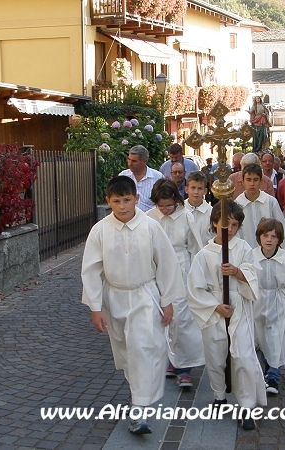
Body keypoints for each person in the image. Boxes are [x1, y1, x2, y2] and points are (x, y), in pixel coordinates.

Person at [81, 176, 184, 435]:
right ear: (108, 202)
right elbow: (91, 270)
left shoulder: (150, 227)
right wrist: (95, 307)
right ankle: (137, 394)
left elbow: (166, 263)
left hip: (143, 296)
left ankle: (139, 411)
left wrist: (167, 300)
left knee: (142, 348)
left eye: (127, 200)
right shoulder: (100, 230)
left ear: (137, 198)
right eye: (117, 201)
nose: (123, 206)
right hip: (114, 299)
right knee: (127, 354)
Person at [187, 200, 266, 431]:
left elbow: (254, 275)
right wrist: (215, 306)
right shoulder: (204, 254)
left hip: (239, 306)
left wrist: (237, 272)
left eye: (234, 225)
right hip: (215, 309)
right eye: (225, 224)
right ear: (214, 223)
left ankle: (247, 406)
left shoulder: (243, 248)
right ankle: (219, 396)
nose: (229, 229)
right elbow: (195, 288)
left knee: (243, 356)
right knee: (215, 354)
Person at [147, 179, 204, 388]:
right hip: (157, 273)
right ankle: (171, 359)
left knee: (181, 320)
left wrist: (197, 277)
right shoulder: (149, 218)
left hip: (181, 271)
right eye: (160, 206)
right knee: (162, 319)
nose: (165, 210)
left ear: (176, 200)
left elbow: (195, 248)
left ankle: (185, 367)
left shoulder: (185, 216)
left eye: (169, 206)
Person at [253, 218, 285, 395]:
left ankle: (273, 376)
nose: (269, 240)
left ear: (279, 239)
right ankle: (265, 369)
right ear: (259, 237)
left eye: (273, 237)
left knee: (276, 337)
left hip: (278, 301)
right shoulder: (251, 256)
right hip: (257, 302)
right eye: (265, 235)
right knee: (260, 337)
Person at [234, 163, 285, 253]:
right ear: (243, 182)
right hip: (245, 253)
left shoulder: (270, 202)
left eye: (255, 180)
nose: (252, 184)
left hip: (268, 252)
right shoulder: (238, 204)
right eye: (248, 180)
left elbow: (282, 227)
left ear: (261, 181)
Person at [118, 145, 163, 212]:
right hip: (128, 219)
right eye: (129, 159)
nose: (130, 163)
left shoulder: (158, 177)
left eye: (134, 161)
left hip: (150, 219)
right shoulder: (123, 176)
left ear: (144, 161)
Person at [184, 170, 214, 245]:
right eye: (193, 188)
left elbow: (213, 236)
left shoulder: (211, 212)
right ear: (186, 189)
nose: (196, 192)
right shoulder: (180, 209)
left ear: (205, 191)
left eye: (200, 188)